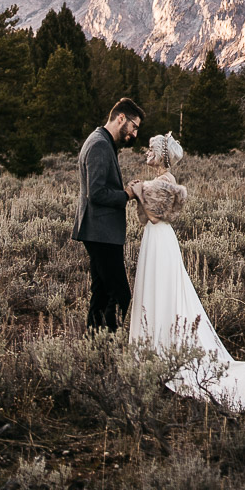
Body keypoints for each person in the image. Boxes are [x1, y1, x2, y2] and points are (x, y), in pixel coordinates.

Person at [129, 132, 245, 412]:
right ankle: (152, 349)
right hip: (153, 240)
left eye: (151, 149)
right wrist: (141, 190)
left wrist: (139, 190)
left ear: (163, 155)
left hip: (161, 240)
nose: (146, 152)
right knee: (152, 290)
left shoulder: (166, 181)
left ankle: (164, 349)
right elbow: (145, 216)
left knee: (163, 291)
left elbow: (154, 216)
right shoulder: (158, 181)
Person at [72, 97, 144, 331]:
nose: (134, 134)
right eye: (134, 127)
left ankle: (96, 345)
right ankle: (111, 343)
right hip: (101, 232)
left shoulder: (100, 140)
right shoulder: (100, 144)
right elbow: (97, 193)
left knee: (101, 292)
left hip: (98, 231)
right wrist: (127, 195)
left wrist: (125, 190)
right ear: (121, 118)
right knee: (120, 294)